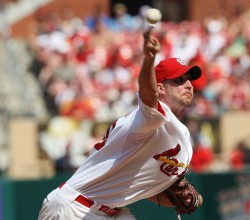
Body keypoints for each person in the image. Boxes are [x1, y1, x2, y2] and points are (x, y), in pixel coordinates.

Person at [38, 28, 203, 220]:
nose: (189, 85)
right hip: (74, 208)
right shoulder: (149, 118)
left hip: (111, 212)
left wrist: (192, 198)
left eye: (189, 80)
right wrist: (149, 61)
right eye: (179, 80)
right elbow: (148, 96)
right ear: (160, 88)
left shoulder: (179, 133)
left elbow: (149, 190)